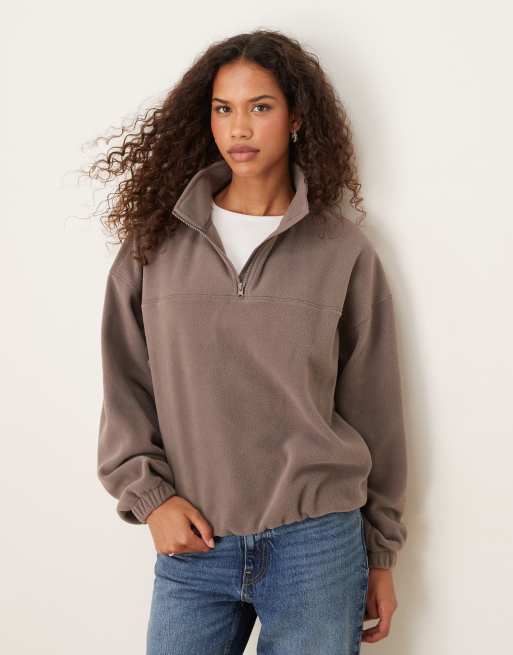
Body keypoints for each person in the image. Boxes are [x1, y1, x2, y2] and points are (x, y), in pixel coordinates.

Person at [92, 28, 408, 655]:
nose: (239, 127)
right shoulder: (156, 245)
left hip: (317, 547)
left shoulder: (342, 251)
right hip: (194, 541)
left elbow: (375, 408)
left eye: (260, 107)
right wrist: (152, 500)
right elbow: (124, 383)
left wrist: (380, 553)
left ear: (296, 119)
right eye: (223, 109)